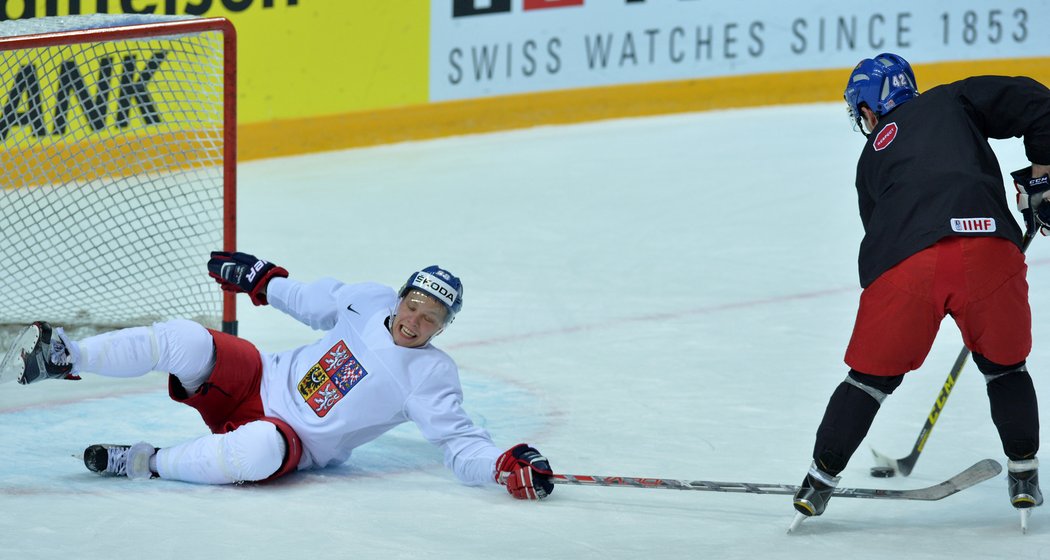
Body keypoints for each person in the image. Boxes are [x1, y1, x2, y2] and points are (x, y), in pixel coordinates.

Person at [1, 251, 555, 500]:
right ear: (403, 295)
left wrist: (501, 467)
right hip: (256, 381)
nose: (415, 322)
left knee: (261, 449)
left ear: (442, 327)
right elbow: (316, 301)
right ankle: (67, 358)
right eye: (414, 305)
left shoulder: (432, 375)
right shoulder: (369, 300)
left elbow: (461, 444)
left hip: (292, 441)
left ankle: (144, 463)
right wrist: (262, 279)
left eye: (431, 319)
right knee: (186, 339)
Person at [793, 53, 1050, 522]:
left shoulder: (869, 160)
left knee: (867, 381)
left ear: (868, 110)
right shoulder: (954, 98)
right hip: (990, 248)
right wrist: (1043, 178)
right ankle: (1024, 473)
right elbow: (1039, 102)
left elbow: (880, 243)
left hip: (907, 265)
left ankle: (818, 482)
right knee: (1007, 369)